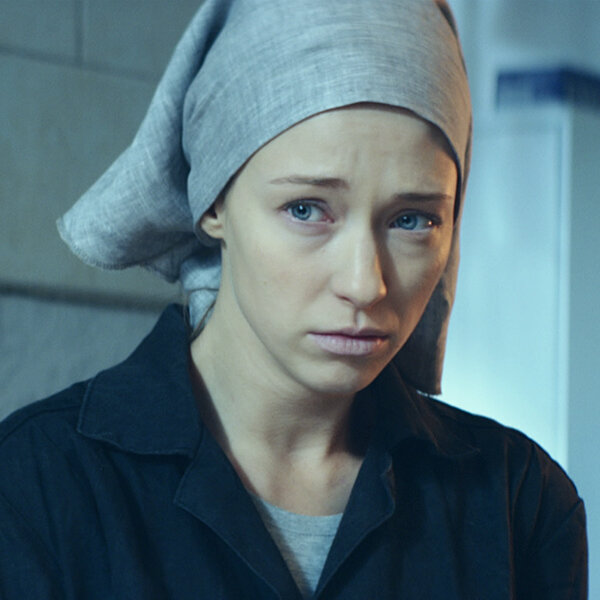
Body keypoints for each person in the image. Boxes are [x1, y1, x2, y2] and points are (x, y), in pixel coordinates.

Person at [0, 0, 587, 598]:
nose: (365, 284)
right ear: (214, 201)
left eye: (412, 220)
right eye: (306, 209)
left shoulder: (520, 506)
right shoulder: (35, 490)